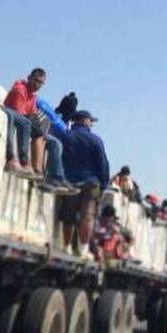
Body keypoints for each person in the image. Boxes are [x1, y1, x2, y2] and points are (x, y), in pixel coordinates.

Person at [57, 110, 110, 258]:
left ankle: (66, 247)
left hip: (70, 182)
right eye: (90, 121)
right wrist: (103, 185)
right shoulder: (95, 140)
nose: (92, 124)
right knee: (88, 216)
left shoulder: (66, 136)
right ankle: (84, 248)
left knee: (68, 216)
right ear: (84, 121)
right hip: (90, 182)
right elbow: (103, 164)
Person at [3, 69, 51, 180]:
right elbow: (18, 113)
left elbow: (33, 114)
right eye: (36, 80)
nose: (37, 85)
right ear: (29, 77)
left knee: (54, 143)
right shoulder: (20, 90)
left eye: (41, 83)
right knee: (32, 129)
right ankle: (27, 165)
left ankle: (44, 174)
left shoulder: (32, 96)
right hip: (13, 118)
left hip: (24, 120)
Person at [35, 96, 77, 195]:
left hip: (54, 146)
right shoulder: (52, 115)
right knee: (56, 144)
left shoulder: (68, 122)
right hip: (44, 137)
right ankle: (57, 178)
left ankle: (57, 179)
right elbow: (42, 129)